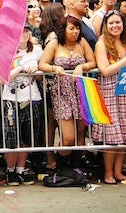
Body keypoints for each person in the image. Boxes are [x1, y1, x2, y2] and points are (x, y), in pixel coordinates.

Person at [92, 10, 126, 185]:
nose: (115, 26)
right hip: (109, 91)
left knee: (124, 134)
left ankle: (118, 171)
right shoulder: (101, 43)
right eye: (111, 23)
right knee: (112, 136)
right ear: (105, 26)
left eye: (118, 23)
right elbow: (105, 70)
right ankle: (108, 173)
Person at [39, 16, 96, 170]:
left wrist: (83, 67)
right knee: (68, 136)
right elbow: (42, 64)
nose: (75, 32)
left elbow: (93, 62)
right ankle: (61, 167)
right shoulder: (55, 44)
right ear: (63, 29)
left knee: (80, 132)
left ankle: (75, 168)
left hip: (80, 90)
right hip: (61, 92)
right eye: (71, 28)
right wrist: (54, 68)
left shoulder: (82, 43)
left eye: (77, 28)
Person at [0, 24, 43, 185]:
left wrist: (36, 69)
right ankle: (10, 171)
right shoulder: (5, 51)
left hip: (32, 97)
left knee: (27, 136)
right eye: (19, 32)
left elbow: (41, 76)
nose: (23, 34)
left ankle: (21, 169)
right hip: (11, 99)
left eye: (25, 31)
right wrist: (21, 68)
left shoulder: (36, 50)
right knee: (12, 137)